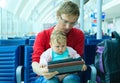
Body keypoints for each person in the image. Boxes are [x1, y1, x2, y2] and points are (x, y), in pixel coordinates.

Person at [32, 1, 87, 83]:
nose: (68, 27)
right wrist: (42, 72)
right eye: (65, 21)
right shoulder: (42, 35)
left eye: (72, 23)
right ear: (58, 15)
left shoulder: (78, 35)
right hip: (47, 77)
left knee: (70, 80)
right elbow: (35, 62)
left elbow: (77, 59)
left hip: (70, 75)